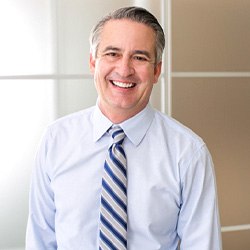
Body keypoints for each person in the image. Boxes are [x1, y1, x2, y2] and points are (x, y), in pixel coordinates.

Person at [26, 6, 222, 250]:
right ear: (92, 62)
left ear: (156, 70)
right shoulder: (55, 140)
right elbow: (40, 241)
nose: (124, 69)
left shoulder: (189, 153)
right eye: (112, 54)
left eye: (139, 57)